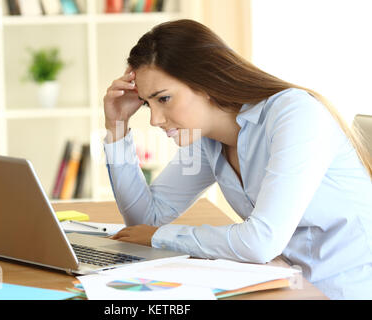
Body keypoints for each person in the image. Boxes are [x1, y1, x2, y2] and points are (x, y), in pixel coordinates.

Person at [102, 19, 372, 300]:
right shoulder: (206, 139)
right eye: (148, 103)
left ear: (204, 81)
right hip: (286, 286)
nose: (155, 119)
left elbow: (261, 242)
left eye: (164, 99)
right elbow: (145, 222)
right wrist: (117, 126)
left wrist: (159, 237)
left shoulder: (296, 115)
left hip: (346, 291)